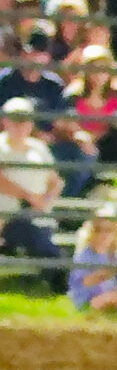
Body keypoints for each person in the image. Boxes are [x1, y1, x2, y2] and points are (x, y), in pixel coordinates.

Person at [0, 96, 65, 286]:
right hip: (8, 215)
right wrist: (29, 197)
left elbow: (56, 181)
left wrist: (45, 200)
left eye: (25, 120)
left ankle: (57, 277)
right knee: (32, 235)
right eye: (15, 119)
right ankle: (58, 279)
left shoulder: (39, 148)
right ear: (5, 120)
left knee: (38, 236)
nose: (20, 125)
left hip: (37, 212)